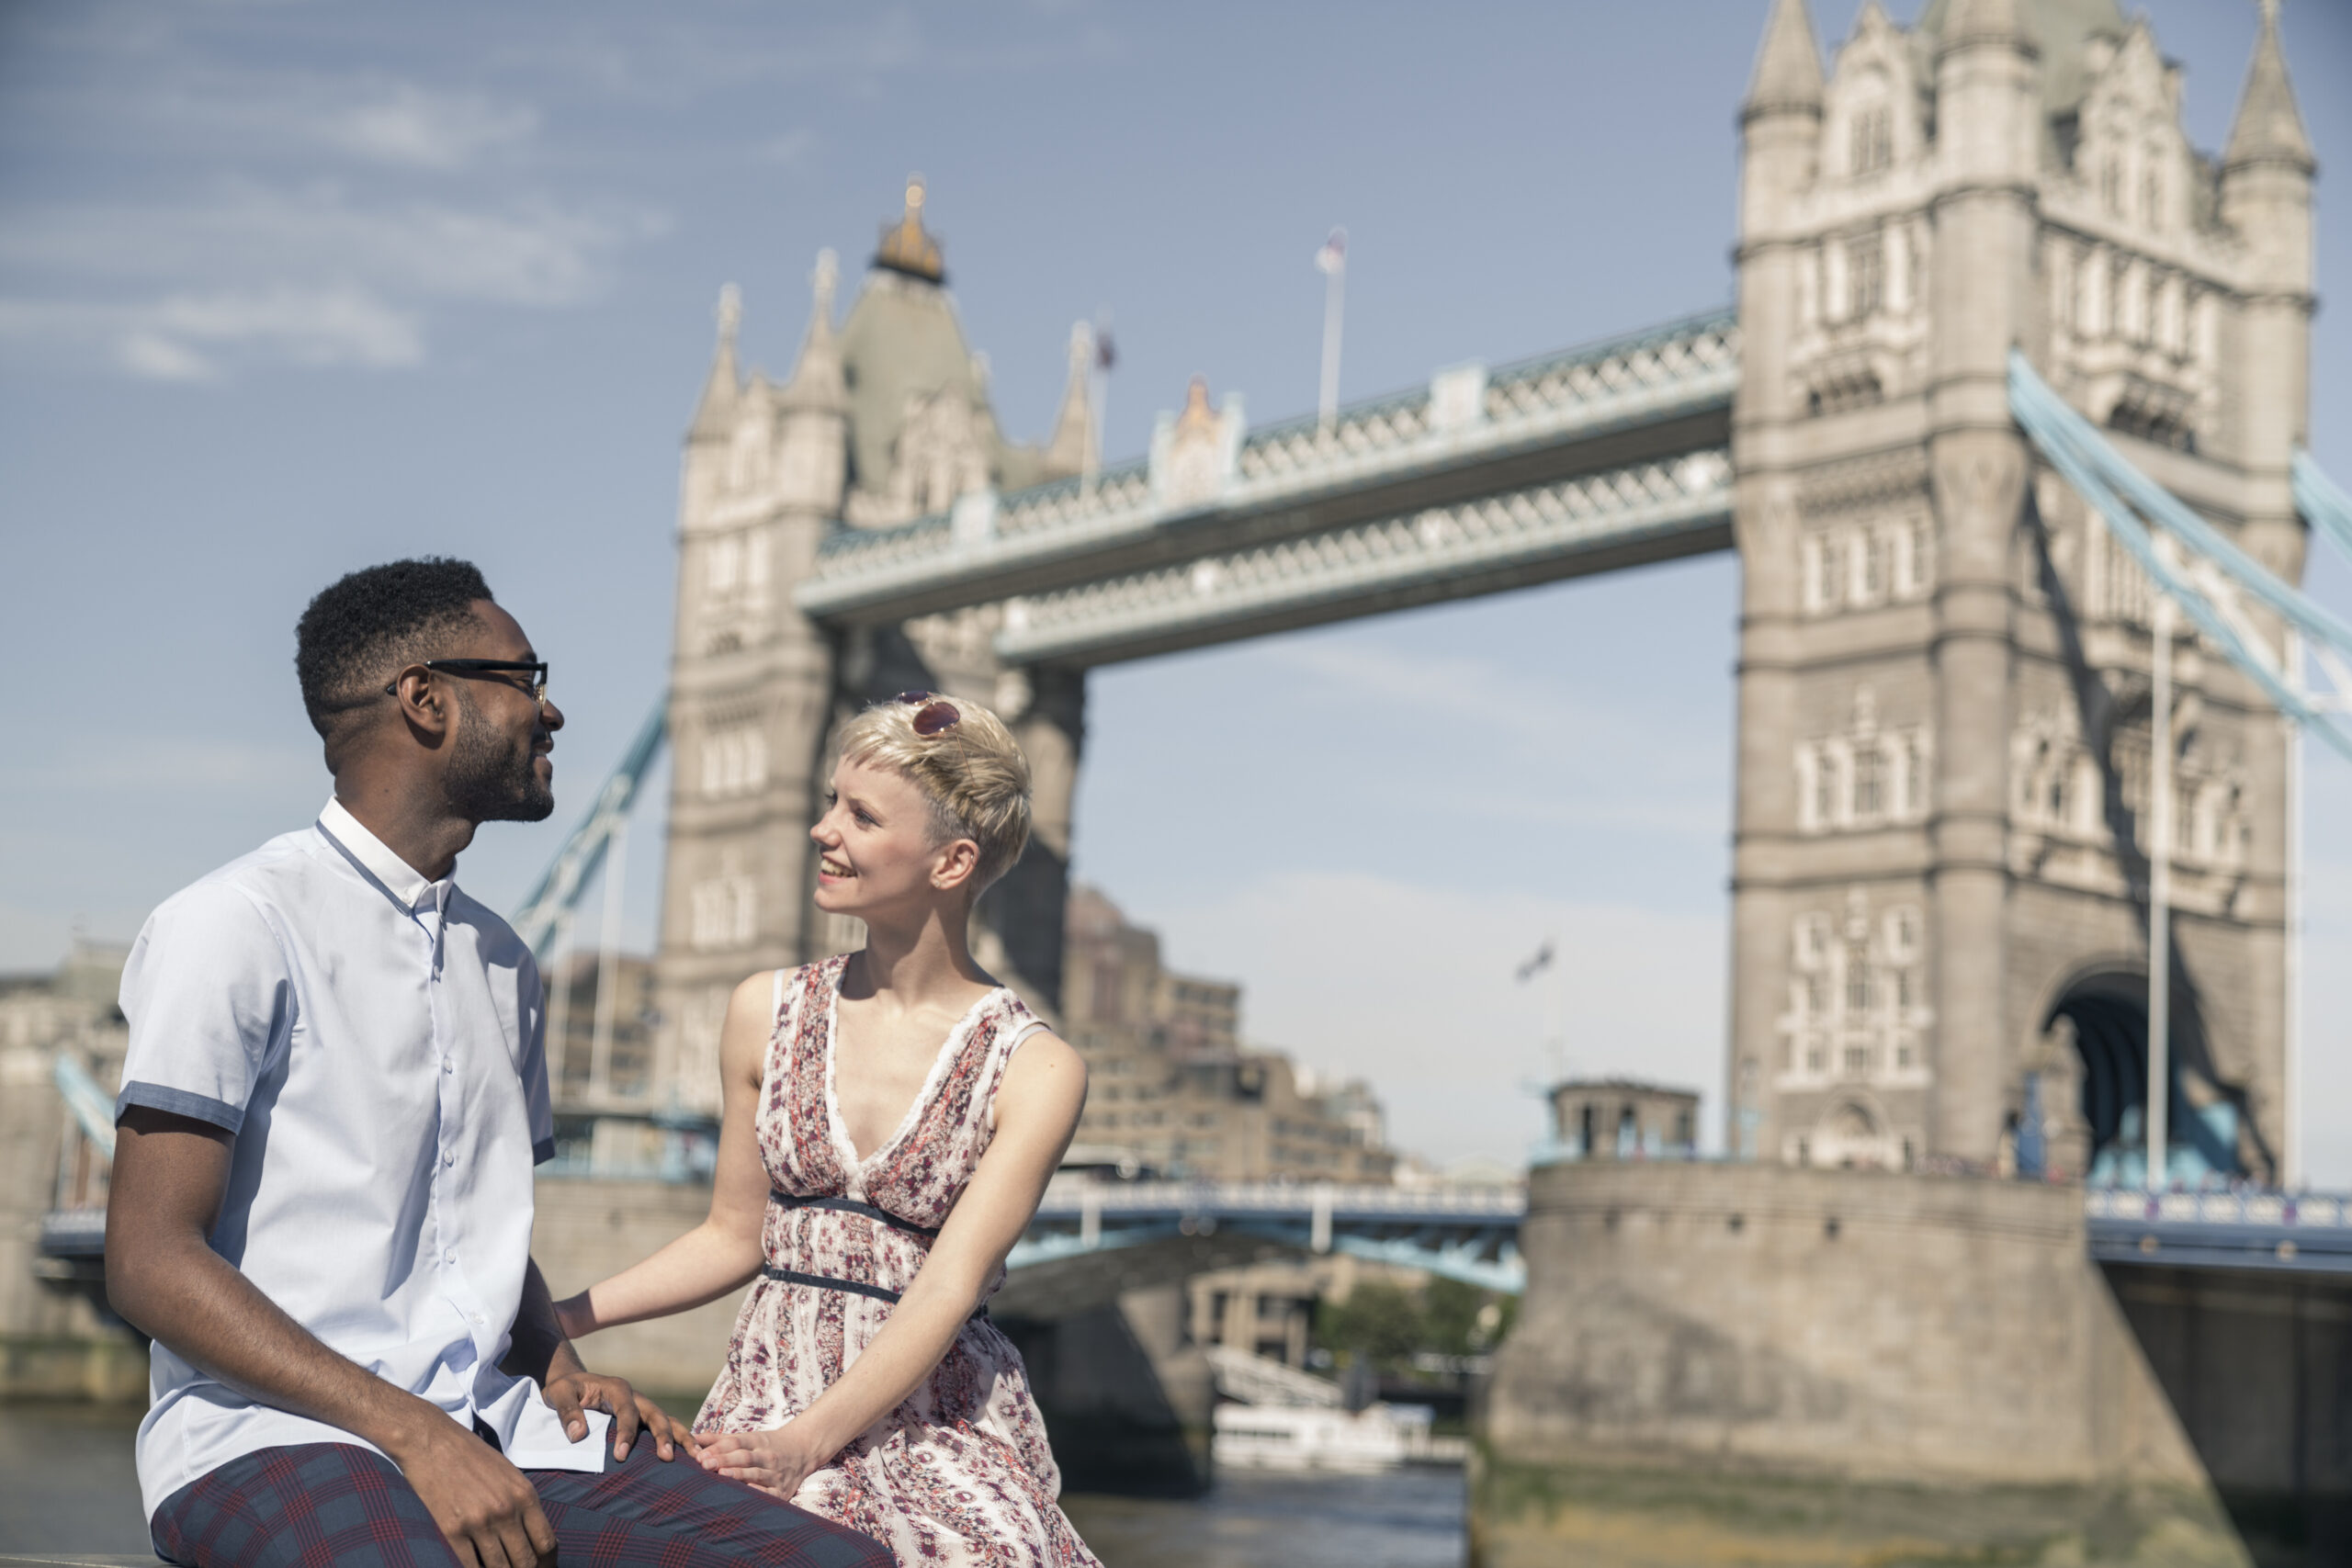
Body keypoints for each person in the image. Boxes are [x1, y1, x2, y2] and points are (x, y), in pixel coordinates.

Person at [106, 558, 890, 1568]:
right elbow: (148, 1259)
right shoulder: (232, 925)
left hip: (501, 1427)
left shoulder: (506, 962)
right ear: (426, 701)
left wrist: (558, 1367)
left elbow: (469, 1230)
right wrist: (411, 1430)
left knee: (841, 1563)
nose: (551, 710)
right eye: (524, 678)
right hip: (272, 1436)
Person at [555, 692, 1101, 1566]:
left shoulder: (1035, 1067)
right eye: (827, 802)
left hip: (935, 1417)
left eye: (860, 813)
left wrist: (808, 1443)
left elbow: (948, 1287)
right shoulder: (762, 1010)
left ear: (952, 861)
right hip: (767, 1390)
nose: (820, 829)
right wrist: (553, 1318)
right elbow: (734, 1237)